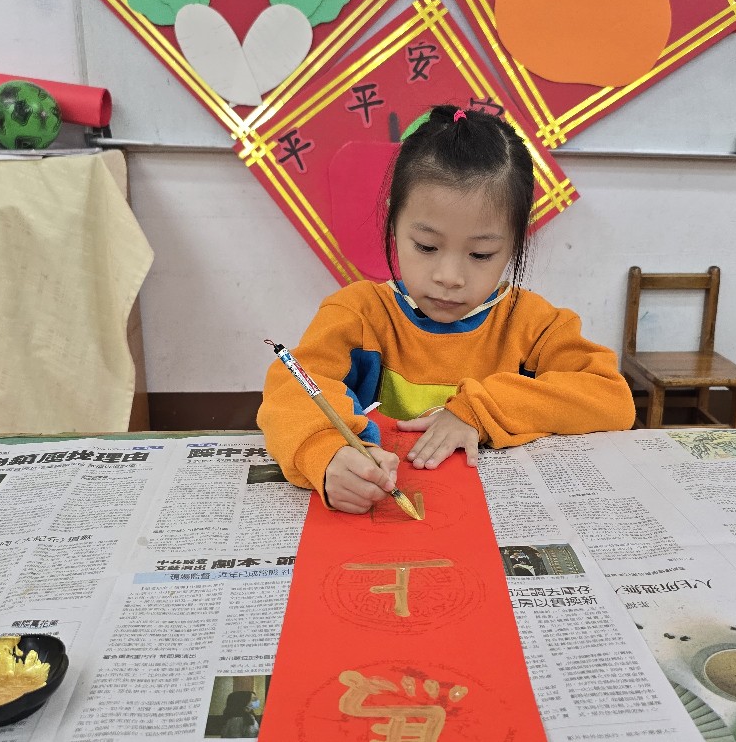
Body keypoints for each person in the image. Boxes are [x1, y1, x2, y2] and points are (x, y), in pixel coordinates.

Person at [258, 105, 635, 514]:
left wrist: (478, 412)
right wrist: (326, 453)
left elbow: (611, 397)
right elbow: (291, 390)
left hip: (494, 516)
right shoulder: (359, 315)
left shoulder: (532, 325)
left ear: (514, 242)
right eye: (426, 246)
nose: (449, 277)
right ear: (394, 222)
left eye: (481, 254)